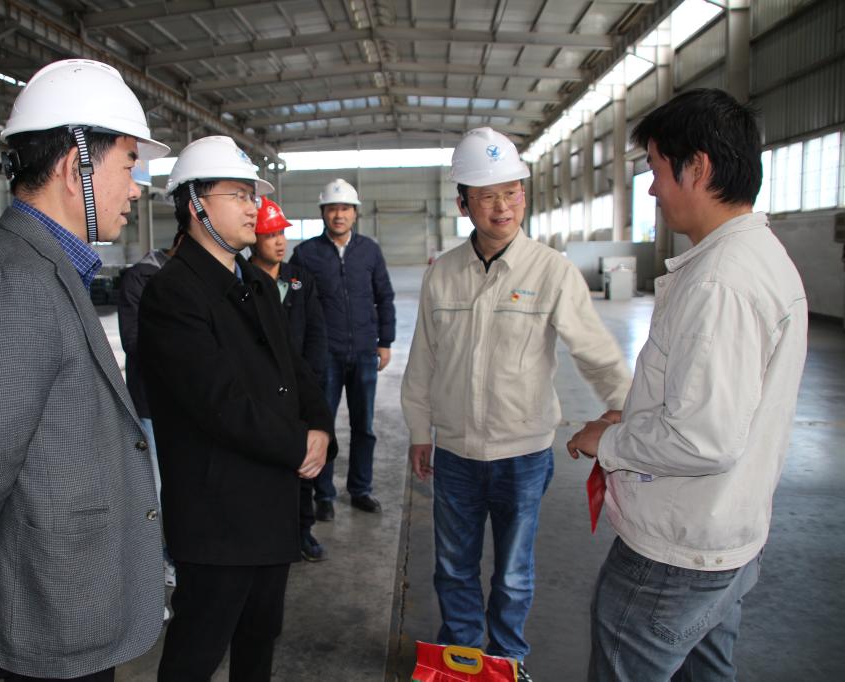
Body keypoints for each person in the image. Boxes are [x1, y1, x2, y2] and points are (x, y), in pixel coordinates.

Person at [0, 59, 171, 681]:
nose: (136, 188)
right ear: (74, 164)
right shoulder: (16, 281)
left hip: (70, 598)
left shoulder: (46, 266)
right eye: (128, 165)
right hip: (50, 602)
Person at [567, 88, 809, 682]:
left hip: (677, 554)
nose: (652, 189)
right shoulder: (755, 257)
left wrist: (609, 441)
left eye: (655, 169)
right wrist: (632, 418)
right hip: (724, 537)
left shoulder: (721, 282)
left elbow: (703, 439)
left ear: (696, 168)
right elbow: (714, 403)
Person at [400, 127, 631, 682]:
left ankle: (506, 661)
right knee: (453, 568)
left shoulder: (550, 271)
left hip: (522, 454)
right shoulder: (442, 274)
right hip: (455, 453)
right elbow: (423, 359)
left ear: (524, 195)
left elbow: (595, 350)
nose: (502, 206)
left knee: (513, 573)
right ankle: (462, 662)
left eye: (511, 192)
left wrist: (626, 407)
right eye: (486, 196)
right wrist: (419, 431)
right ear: (463, 204)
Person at [139, 135, 336, 682]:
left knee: (259, 640)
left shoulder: (255, 282)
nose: (255, 207)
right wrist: (297, 444)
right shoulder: (172, 293)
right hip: (217, 517)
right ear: (195, 204)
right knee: (197, 652)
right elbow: (218, 403)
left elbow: (294, 368)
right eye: (239, 195)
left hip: (271, 502)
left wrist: (320, 426)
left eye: (254, 195)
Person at [289, 178, 395, 520]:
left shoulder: (370, 251)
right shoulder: (306, 253)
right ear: (323, 212)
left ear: (355, 213)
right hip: (326, 356)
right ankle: (324, 494)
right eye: (333, 208)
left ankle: (360, 489)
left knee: (364, 427)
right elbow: (296, 306)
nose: (339, 215)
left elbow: (384, 297)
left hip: (364, 351)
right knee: (323, 426)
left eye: (345, 208)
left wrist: (385, 342)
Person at [248, 196, 330, 562]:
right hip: (261, 394)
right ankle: (269, 533)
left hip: (299, 391)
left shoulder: (299, 279)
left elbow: (316, 333)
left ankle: (303, 531)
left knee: (304, 463)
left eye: (281, 233)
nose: (279, 242)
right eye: (269, 235)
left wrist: (311, 385)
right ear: (253, 239)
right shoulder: (241, 280)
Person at [117, 234, 183, 587]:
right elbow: (134, 341)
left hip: (191, 406)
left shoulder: (201, 274)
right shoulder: (140, 277)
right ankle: (157, 562)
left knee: (186, 488)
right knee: (156, 490)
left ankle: (179, 554)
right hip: (153, 405)